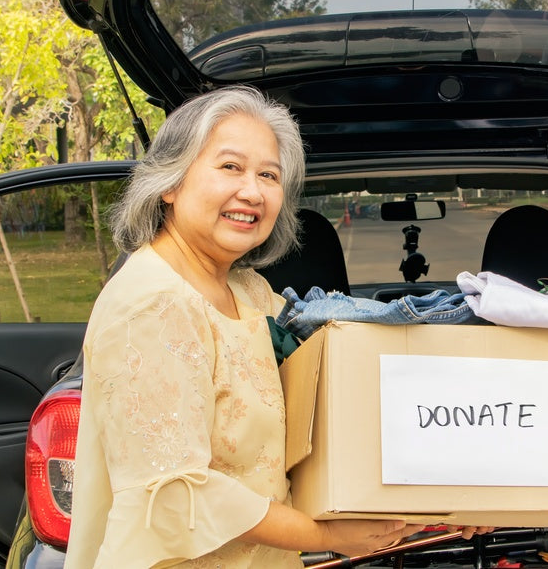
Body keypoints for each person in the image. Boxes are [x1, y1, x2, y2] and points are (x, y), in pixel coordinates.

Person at [65, 86, 423, 568]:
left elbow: (343, 402)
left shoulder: (250, 292)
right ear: (170, 183)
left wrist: (461, 494)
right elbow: (176, 495)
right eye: (230, 167)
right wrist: (324, 533)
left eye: (268, 175)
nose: (252, 191)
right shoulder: (151, 304)